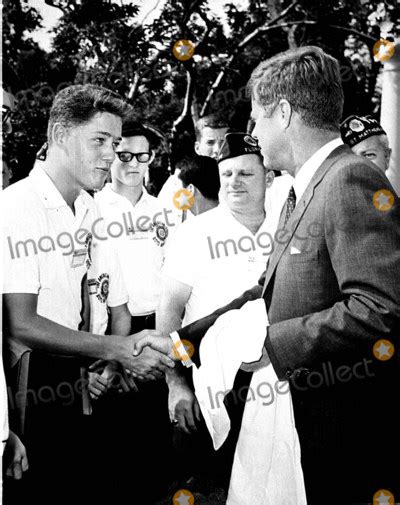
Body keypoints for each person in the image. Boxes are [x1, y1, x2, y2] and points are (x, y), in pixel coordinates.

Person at [136, 46, 400, 504]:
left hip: (333, 425)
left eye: (257, 118)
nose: (254, 131)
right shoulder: (304, 189)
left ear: (284, 112)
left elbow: (379, 308)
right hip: (292, 414)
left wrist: (272, 346)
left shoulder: (350, 179)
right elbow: (265, 290)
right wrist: (184, 341)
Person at [1, 84, 174, 504]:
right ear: (59, 135)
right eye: (99, 141)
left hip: (73, 371)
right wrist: (117, 347)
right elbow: (19, 323)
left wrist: (96, 364)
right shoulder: (19, 205)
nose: (110, 156)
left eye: (114, 144)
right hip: (25, 380)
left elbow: (90, 302)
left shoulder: (87, 207)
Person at [158, 132, 276, 493]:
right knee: (207, 487)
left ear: (268, 177)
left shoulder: (285, 226)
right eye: (227, 175)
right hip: (209, 385)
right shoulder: (195, 233)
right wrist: (175, 384)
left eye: (246, 174)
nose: (234, 183)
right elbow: (169, 314)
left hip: (276, 379)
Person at [95, 116, 172, 331]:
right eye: (125, 156)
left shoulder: (163, 210)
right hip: (109, 327)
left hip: (158, 324)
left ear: (151, 157)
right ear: (110, 156)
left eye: (141, 156)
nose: (134, 163)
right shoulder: (93, 209)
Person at [157, 114, 229, 225]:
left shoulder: (242, 180)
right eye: (210, 142)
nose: (218, 149)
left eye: (223, 142)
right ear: (197, 148)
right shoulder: (177, 184)